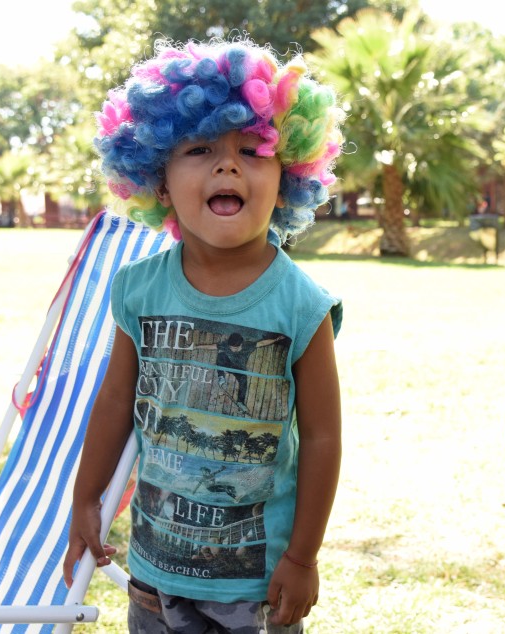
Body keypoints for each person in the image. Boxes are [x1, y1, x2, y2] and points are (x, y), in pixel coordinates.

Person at [62, 38, 345, 633]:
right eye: (200, 148)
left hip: (255, 586)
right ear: (158, 181)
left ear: (289, 177)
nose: (228, 164)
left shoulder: (302, 306)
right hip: (154, 575)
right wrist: (84, 501)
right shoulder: (139, 289)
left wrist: (302, 556)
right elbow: (116, 402)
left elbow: (320, 437)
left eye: (253, 149)